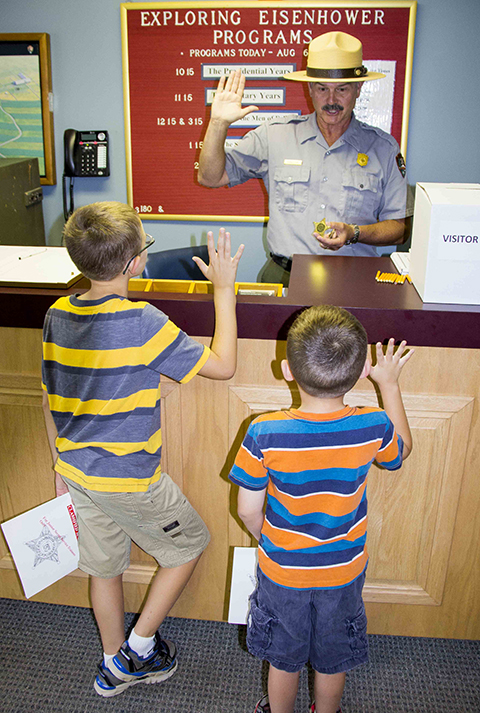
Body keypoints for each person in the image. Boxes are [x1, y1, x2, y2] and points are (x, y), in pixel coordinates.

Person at [41, 201, 244, 697]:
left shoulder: (57, 313)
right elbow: (224, 366)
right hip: (131, 479)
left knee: (104, 569)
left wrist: (59, 461)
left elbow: (54, 392)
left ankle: (113, 664)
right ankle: (140, 647)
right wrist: (223, 291)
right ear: (136, 262)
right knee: (189, 545)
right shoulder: (141, 321)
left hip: (76, 469)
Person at [229, 305, 413, 713]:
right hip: (343, 568)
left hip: (283, 569)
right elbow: (399, 452)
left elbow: (246, 509)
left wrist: (270, 539)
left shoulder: (264, 431)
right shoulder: (372, 424)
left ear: (287, 370)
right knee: (333, 658)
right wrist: (391, 386)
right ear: (362, 370)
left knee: (283, 657)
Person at [198, 31, 413, 286]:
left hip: (354, 281)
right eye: (322, 89)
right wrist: (218, 123)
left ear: (359, 88)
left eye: (342, 89)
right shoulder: (275, 135)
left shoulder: (383, 149)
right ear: (310, 88)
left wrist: (355, 233)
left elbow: (400, 229)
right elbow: (210, 177)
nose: (331, 100)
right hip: (285, 277)